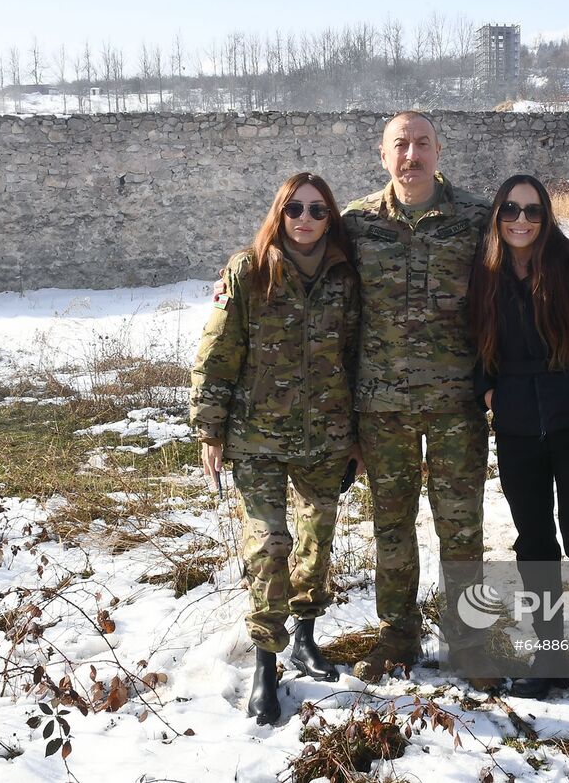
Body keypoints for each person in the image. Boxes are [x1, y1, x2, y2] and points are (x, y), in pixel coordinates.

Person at [341, 112, 569, 688]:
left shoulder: (476, 220)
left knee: (461, 529)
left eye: (422, 144)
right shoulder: (355, 223)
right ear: (382, 153)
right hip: (382, 403)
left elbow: (534, 263)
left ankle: (467, 644)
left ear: (439, 151)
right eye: (400, 145)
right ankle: (396, 634)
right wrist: (236, 278)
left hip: (456, 404)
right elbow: (303, 261)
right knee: (391, 525)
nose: (411, 155)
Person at [189, 172, 360, 725]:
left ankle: (305, 635)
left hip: (326, 436)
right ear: (279, 213)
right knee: (267, 544)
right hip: (256, 435)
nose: (305, 220)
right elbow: (218, 351)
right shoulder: (249, 270)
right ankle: (267, 658)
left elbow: (359, 356)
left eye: (317, 210)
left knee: (316, 542)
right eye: (295, 209)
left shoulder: (345, 275)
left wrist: (358, 433)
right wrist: (210, 427)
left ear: (330, 216)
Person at [469, 174, 569, 717]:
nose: (521, 219)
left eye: (532, 210)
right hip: (515, 429)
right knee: (535, 544)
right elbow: (471, 345)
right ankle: (551, 657)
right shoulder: (483, 271)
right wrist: (489, 393)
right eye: (511, 208)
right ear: (497, 213)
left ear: (546, 215)